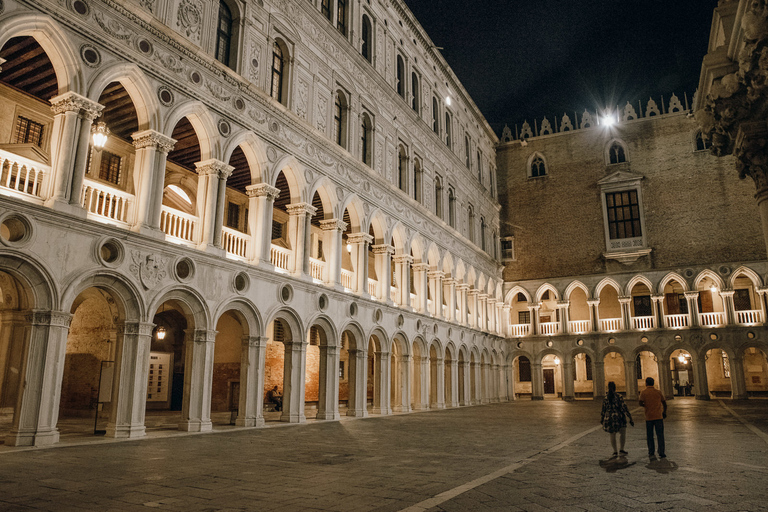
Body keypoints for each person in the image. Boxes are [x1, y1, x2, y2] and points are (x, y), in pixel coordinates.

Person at [600, 381, 634, 458]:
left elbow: (603, 409)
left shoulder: (606, 397)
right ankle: (621, 449)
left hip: (609, 417)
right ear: (615, 388)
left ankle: (615, 451)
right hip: (619, 417)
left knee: (612, 434)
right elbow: (624, 407)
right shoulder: (619, 396)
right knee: (622, 433)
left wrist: (602, 419)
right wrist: (630, 417)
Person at [639, 376, 667, 459]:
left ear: (646, 383)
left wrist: (646, 406)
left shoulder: (643, 392)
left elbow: (640, 403)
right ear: (653, 383)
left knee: (650, 435)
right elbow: (664, 403)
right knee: (660, 435)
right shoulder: (658, 392)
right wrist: (664, 412)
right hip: (658, 416)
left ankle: (651, 451)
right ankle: (661, 452)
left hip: (649, 417)